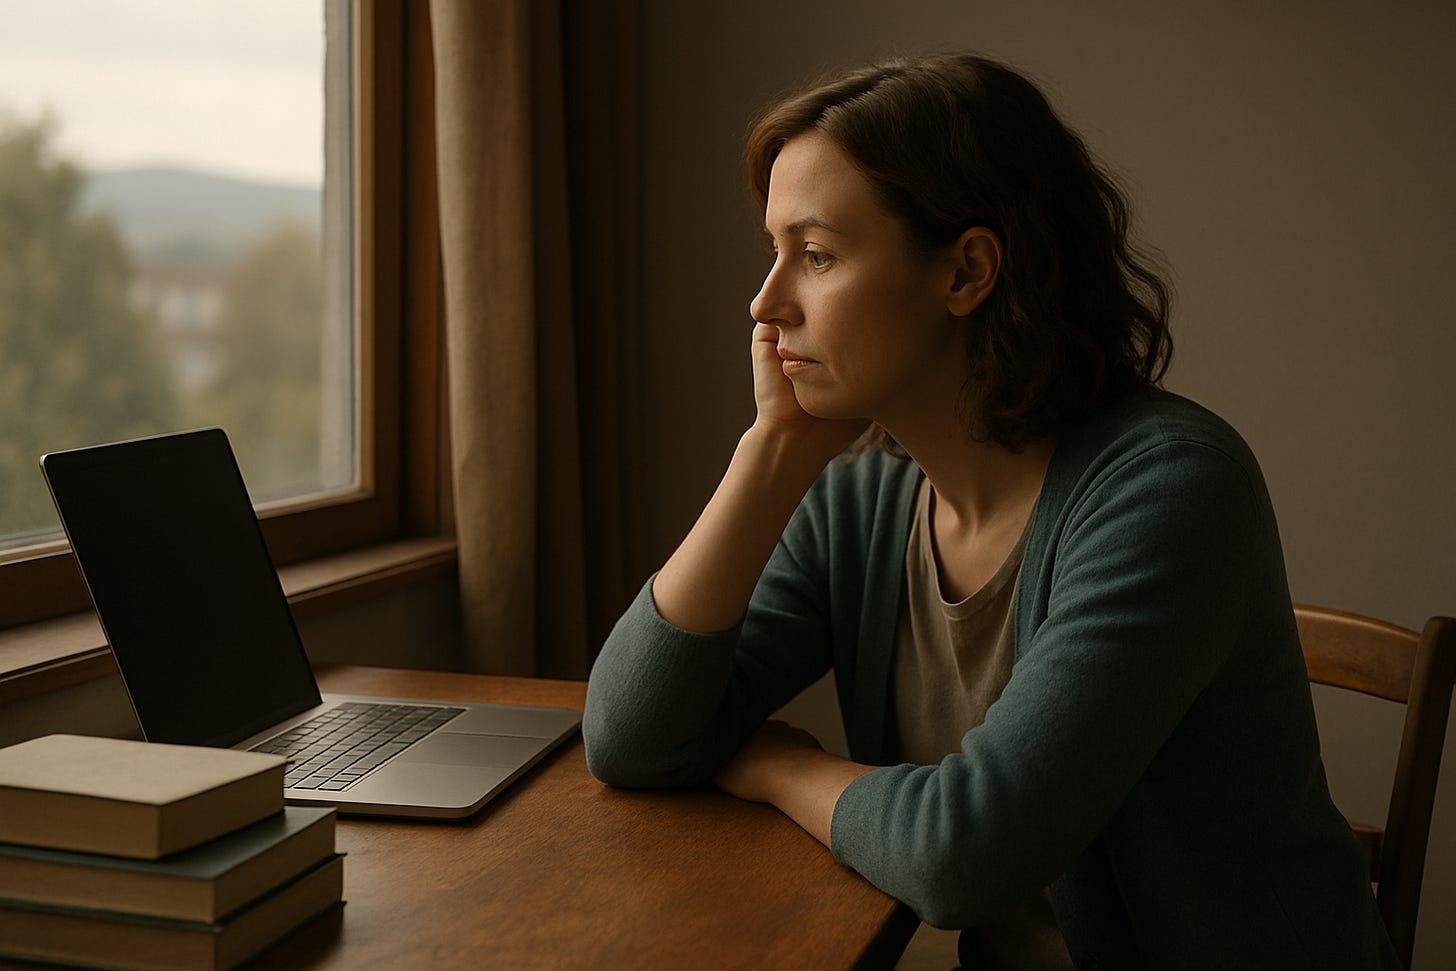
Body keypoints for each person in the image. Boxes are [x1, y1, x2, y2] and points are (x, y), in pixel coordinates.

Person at [582, 53, 1399, 969]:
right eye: (773, 252)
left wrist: (777, 764)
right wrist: (770, 454)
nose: (765, 303)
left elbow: (963, 854)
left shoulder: (1170, 491)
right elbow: (629, 737)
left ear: (967, 271)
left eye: (815, 255)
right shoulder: (863, 502)